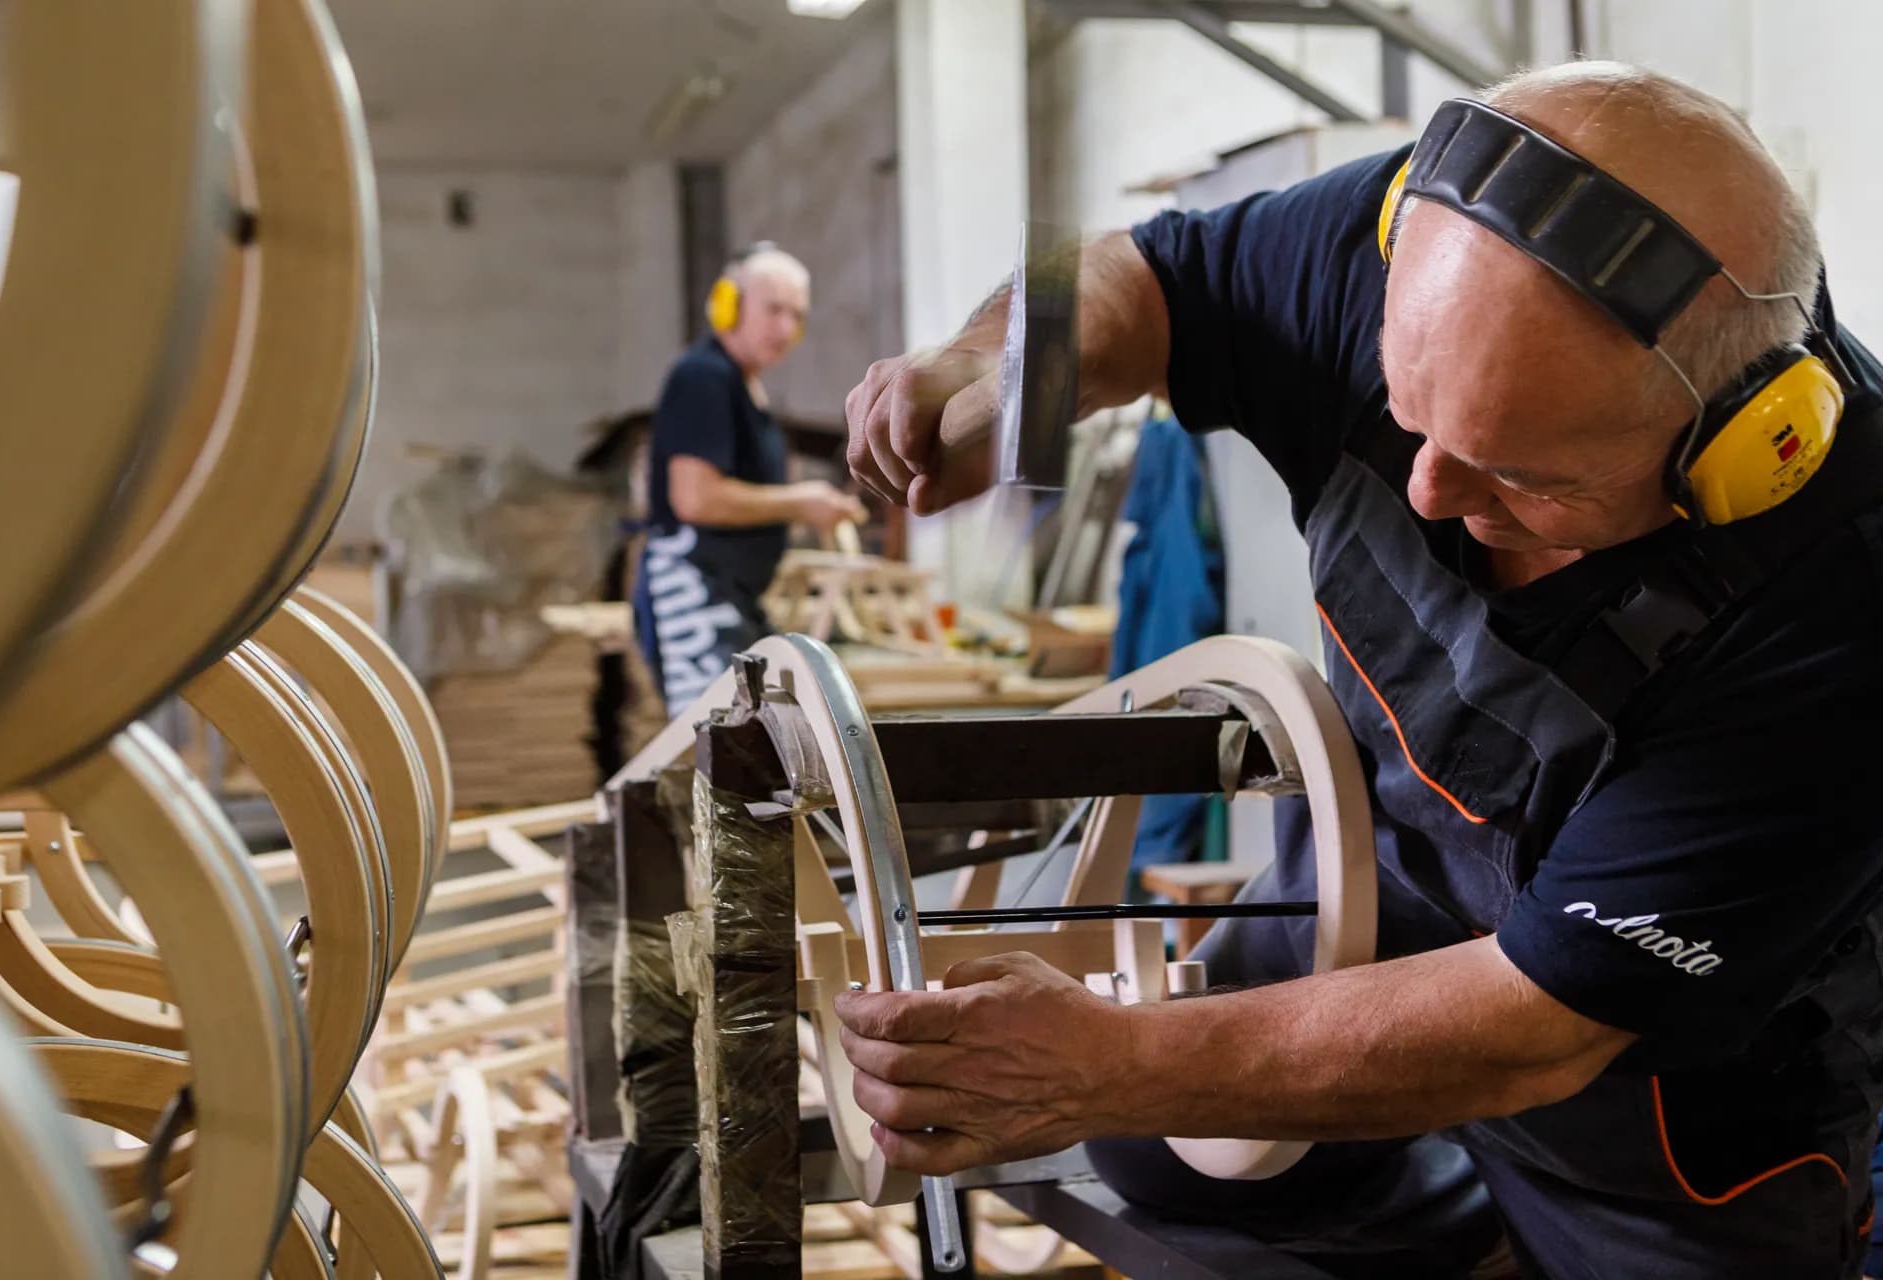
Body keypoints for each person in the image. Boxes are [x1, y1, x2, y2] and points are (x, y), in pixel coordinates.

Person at [835, 62, 1883, 1278]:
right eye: (1409, 410)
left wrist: (1105, 1061)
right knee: (1159, 1152)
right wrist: (998, 362)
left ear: (1745, 450)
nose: (1427, 488)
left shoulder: (1839, 599)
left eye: (1520, 474)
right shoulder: (1415, 240)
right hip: (1369, 892)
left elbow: (1537, 1023)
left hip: (1646, 1084)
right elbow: (1149, 275)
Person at [634, 243, 865, 714]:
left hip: (729, 591)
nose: (786, 329)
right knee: (722, 734)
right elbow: (695, 499)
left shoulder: (741, 383)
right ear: (729, 306)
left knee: (762, 725)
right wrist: (800, 502)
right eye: (773, 309)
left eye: (796, 315)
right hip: (694, 592)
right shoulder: (704, 376)